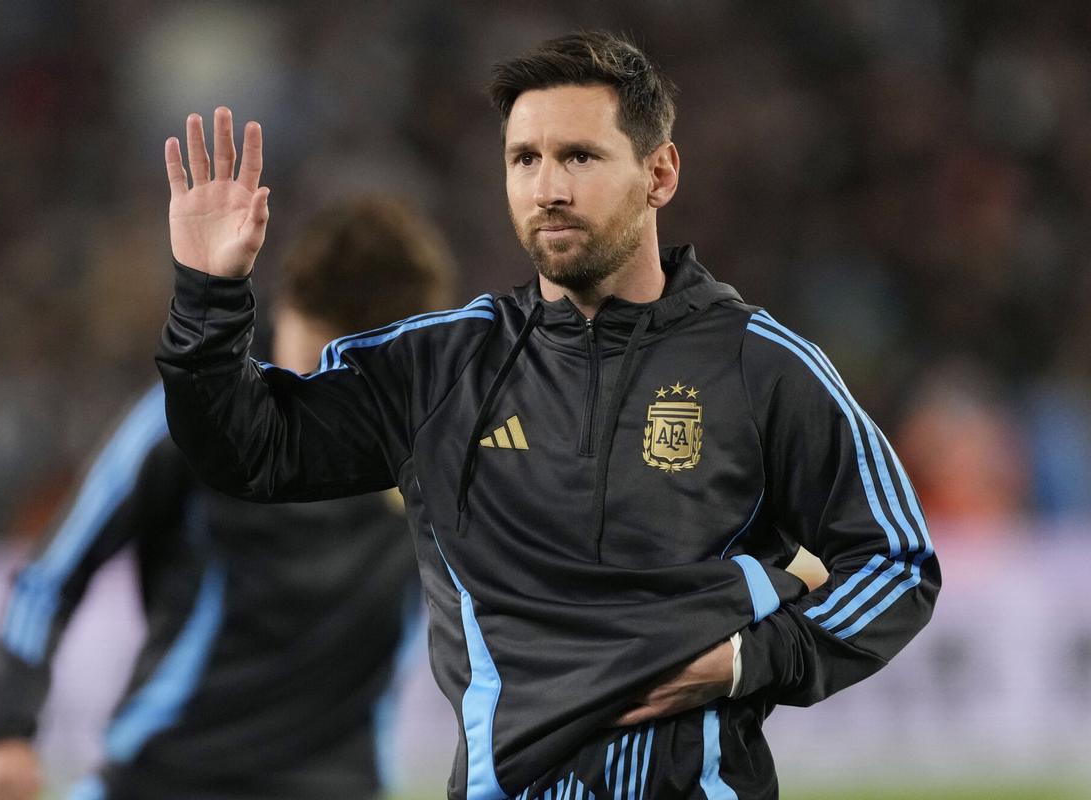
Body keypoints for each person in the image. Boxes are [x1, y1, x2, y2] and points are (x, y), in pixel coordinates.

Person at [155, 31, 941, 800]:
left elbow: (897, 559)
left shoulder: (761, 364)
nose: (548, 188)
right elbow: (249, 450)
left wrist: (753, 658)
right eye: (524, 159)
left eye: (580, 157)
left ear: (660, 173)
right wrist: (209, 296)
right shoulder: (439, 368)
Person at [0, 195, 456, 800]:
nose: (316, 393)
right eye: (310, 358)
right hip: (164, 779)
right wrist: (6, 733)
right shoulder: (193, 418)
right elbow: (51, 574)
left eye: (346, 379)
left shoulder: (445, 442)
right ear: (284, 308)